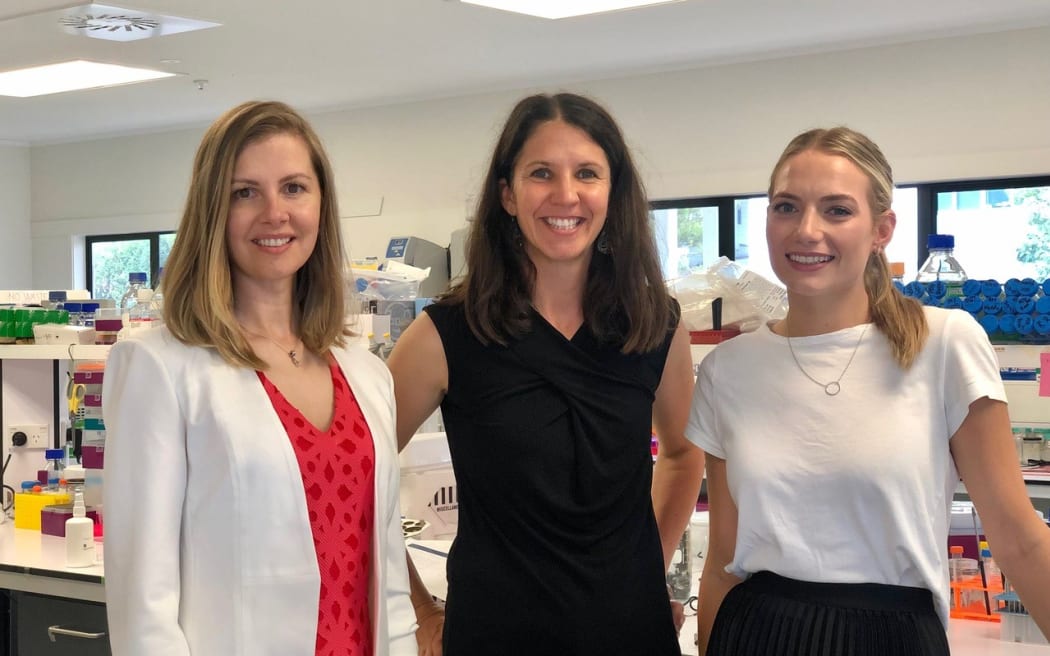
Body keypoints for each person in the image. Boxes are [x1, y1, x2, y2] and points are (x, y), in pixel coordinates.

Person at [688, 126, 1050, 655]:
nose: (806, 230)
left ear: (882, 229)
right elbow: (723, 560)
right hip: (756, 635)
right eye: (786, 207)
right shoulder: (728, 370)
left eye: (836, 210)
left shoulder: (944, 343)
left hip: (893, 637)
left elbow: (1019, 539)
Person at [387, 92, 703, 655]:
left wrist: (645, 564)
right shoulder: (446, 335)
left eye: (587, 173)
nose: (566, 195)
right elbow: (361, 476)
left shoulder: (655, 325)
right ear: (507, 195)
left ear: (613, 192)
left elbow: (682, 453)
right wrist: (418, 608)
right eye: (541, 173)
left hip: (632, 631)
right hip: (495, 632)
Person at [102, 100, 416, 656]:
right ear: (212, 212)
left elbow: (386, 575)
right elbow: (143, 602)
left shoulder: (366, 374)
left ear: (321, 203)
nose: (275, 213)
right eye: (244, 192)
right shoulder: (162, 367)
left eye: (294, 188)